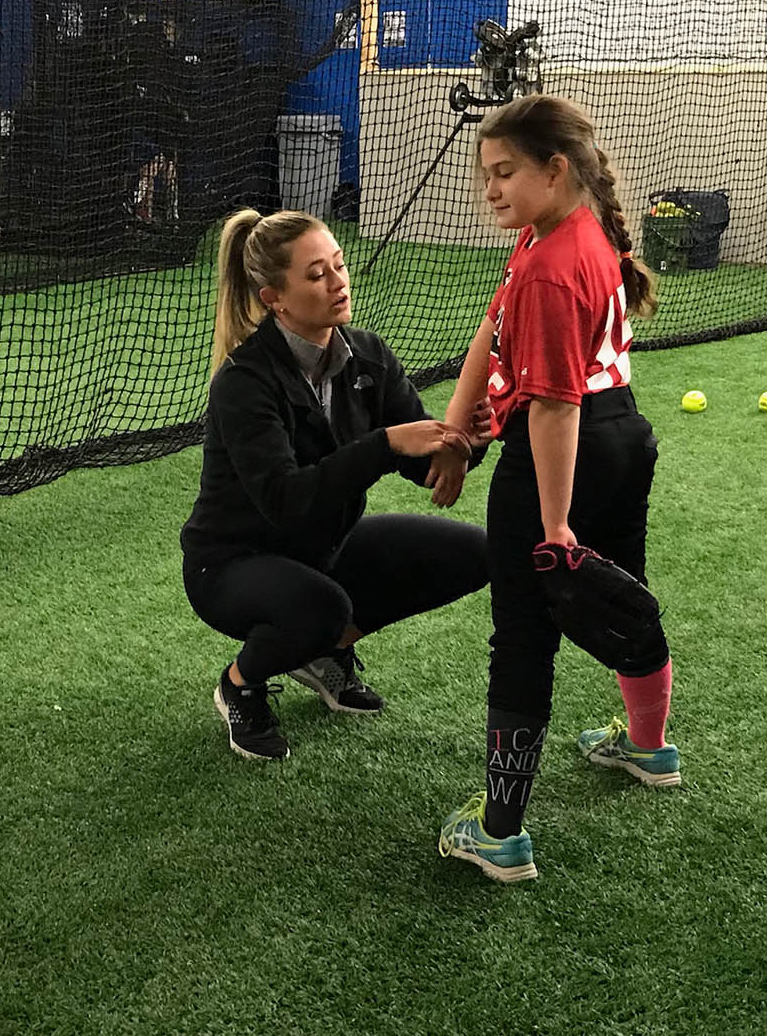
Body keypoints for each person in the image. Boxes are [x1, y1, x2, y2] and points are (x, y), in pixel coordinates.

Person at [435, 94, 680, 884]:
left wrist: (552, 524)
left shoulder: (549, 261)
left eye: (505, 173)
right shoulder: (574, 228)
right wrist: (455, 425)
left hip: (565, 451)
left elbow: (552, 405)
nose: (492, 190)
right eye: (486, 176)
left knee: (523, 635)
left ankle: (499, 832)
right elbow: (492, 326)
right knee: (625, 593)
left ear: (555, 168)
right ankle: (648, 748)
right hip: (624, 437)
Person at [180, 207, 493, 761]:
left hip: (320, 553)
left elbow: (426, 471)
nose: (338, 282)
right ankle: (240, 683)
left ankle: (324, 652)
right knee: (322, 606)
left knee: (478, 554)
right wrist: (386, 444)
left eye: (339, 266)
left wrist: (471, 438)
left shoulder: (367, 355)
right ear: (274, 296)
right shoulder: (245, 381)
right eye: (316, 274)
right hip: (229, 564)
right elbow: (285, 501)